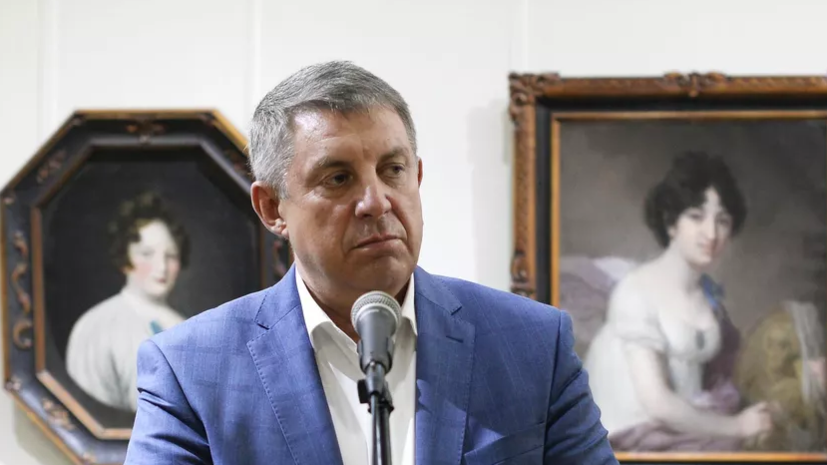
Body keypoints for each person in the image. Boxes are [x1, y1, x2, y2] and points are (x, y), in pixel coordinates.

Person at [123, 61, 617, 464]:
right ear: (272, 208)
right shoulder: (189, 371)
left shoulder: (533, 346)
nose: (376, 202)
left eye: (392, 169)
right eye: (338, 178)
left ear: (416, 177)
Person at [583, 151, 774, 451]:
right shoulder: (636, 291)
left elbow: (731, 373)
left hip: (683, 425)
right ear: (671, 223)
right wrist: (736, 426)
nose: (711, 233)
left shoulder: (709, 298)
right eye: (696, 217)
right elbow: (657, 403)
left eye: (722, 220)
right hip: (632, 434)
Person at [66, 191, 189, 412]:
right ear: (125, 257)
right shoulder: (96, 327)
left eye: (170, 255)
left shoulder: (185, 327)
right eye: (147, 254)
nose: (161, 267)